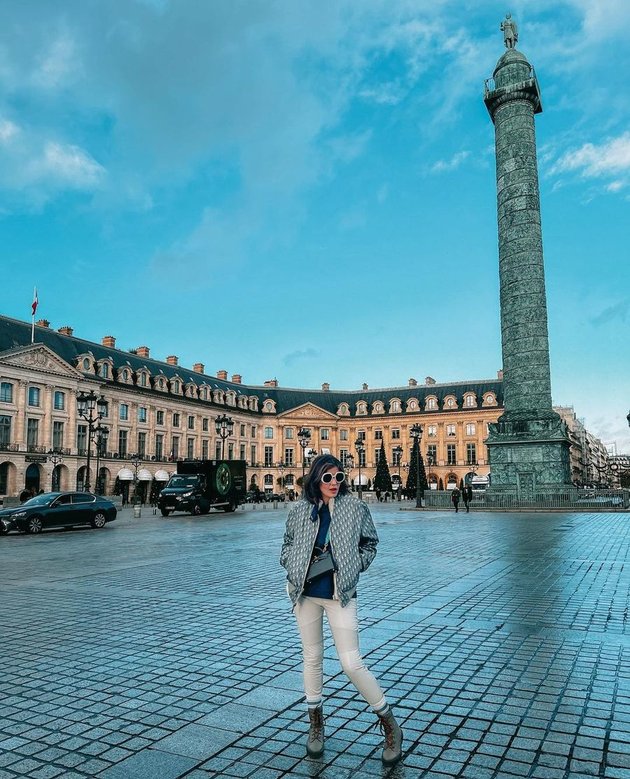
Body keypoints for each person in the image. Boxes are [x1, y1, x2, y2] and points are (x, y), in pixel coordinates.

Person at [280, 454, 403, 766]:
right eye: (327, 478)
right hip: (305, 595)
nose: (334, 483)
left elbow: (370, 544)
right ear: (315, 480)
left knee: (351, 663)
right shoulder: (299, 510)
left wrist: (353, 567)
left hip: (341, 596)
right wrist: (292, 565)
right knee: (312, 657)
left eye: (339, 477)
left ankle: (390, 724)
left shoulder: (355, 507)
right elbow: (287, 545)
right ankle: (316, 725)